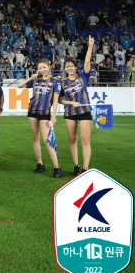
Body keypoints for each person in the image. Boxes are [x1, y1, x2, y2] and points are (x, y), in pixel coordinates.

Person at [18, 60, 63, 178]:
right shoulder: (35, 80)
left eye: (44, 67)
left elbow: (55, 99)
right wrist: (30, 78)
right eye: (40, 68)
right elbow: (19, 86)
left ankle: (57, 167)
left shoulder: (55, 81)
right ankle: (40, 164)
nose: (42, 70)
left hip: (45, 113)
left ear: (49, 67)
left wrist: (53, 116)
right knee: (35, 138)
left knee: (46, 139)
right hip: (32, 111)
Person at [60, 36, 95, 175]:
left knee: (85, 140)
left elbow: (87, 62)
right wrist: (71, 103)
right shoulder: (62, 83)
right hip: (69, 112)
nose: (69, 68)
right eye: (67, 66)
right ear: (65, 68)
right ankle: (76, 166)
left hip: (85, 111)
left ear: (75, 67)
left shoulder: (83, 77)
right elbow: (60, 100)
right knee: (72, 139)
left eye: (71, 66)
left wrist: (90, 46)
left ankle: (85, 167)